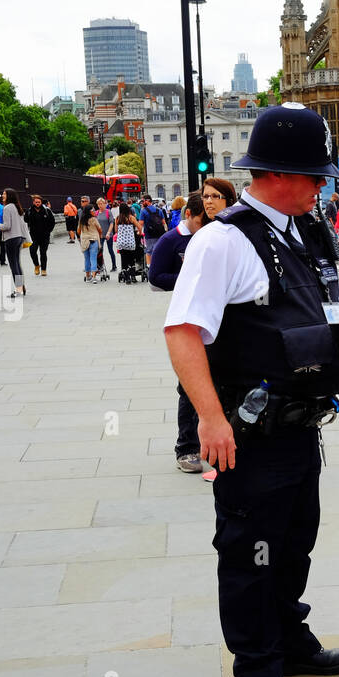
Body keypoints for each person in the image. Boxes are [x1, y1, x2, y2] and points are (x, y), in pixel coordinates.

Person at [163, 102, 339, 677]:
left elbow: (328, 321)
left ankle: (290, 641)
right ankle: (257, 666)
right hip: (245, 434)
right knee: (250, 549)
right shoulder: (222, 240)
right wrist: (208, 418)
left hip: (300, 427)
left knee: (293, 544)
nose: (322, 186)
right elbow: (182, 333)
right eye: (314, 176)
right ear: (279, 175)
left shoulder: (306, 232)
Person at [149, 191, 208, 472]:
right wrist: (189, 278)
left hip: (216, 320)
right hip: (187, 323)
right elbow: (155, 278)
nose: (204, 227)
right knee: (189, 387)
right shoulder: (171, 241)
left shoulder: (213, 237)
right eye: (200, 222)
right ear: (188, 215)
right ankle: (187, 449)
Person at [0, 189, 28, 296]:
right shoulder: (17, 207)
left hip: (10, 238)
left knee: (13, 264)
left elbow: (7, 226)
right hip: (19, 237)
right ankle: (21, 286)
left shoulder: (7, 208)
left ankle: (18, 289)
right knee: (17, 263)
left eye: (4, 194)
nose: (2, 195)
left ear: (9, 196)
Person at [25, 193, 55, 276]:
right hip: (33, 235)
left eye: (39, 202)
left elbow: (52, 221)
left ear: (41, 202)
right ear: (33, 202)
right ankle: (36, 265)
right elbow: (26, 220)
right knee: (32, 251)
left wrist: (48, 231)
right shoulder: (29, 211)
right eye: (36, 202)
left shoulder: (47, 210)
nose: (37, 203)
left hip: (44, 235)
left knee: (43, 252)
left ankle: (44, 269)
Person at [113, 202, 143, 282]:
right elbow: (139, 227)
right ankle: (133, 277)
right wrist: (139, 233)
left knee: (124, 260)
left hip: (121, 242)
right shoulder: (131, 218)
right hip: (130, 242)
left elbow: (116, 230)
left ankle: (127, 278)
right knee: (131, 259)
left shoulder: (117, 218)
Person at [77, 201, 102, 282]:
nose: (94, 211)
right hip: (93, 240)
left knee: (87, 259)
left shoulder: (82, 220)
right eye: (93, 210)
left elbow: (78, 231)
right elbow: (100, 229)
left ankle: (88, 277)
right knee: (93, 259)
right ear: (89, 211)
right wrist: (100, 235)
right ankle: (94, 277)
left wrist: (84, 234)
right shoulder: (94, 219)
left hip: (84, 241)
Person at [140, 194, 167, 264]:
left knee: (149, 251)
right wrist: (165, 232)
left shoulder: (143, 211)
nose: (142, 203)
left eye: (143, 201)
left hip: (149, 235)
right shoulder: (159, 210)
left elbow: (141, 224)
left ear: (148, 201)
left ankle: (149, 267)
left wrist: (139, 232)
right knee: (159, 250)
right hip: (160, 234)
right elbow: (164, 223)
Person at [96, 196, 116, 271]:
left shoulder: (108, 212)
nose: (100, 205)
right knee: (100, 251)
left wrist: (109, 232)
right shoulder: (96, 213)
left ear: (105, 204)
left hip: (108, 234)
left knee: (110, 250)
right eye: (98, 204)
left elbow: (111, 223)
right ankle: (100, 266)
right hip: (100, 235)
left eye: (101, 204)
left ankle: (114, 265)